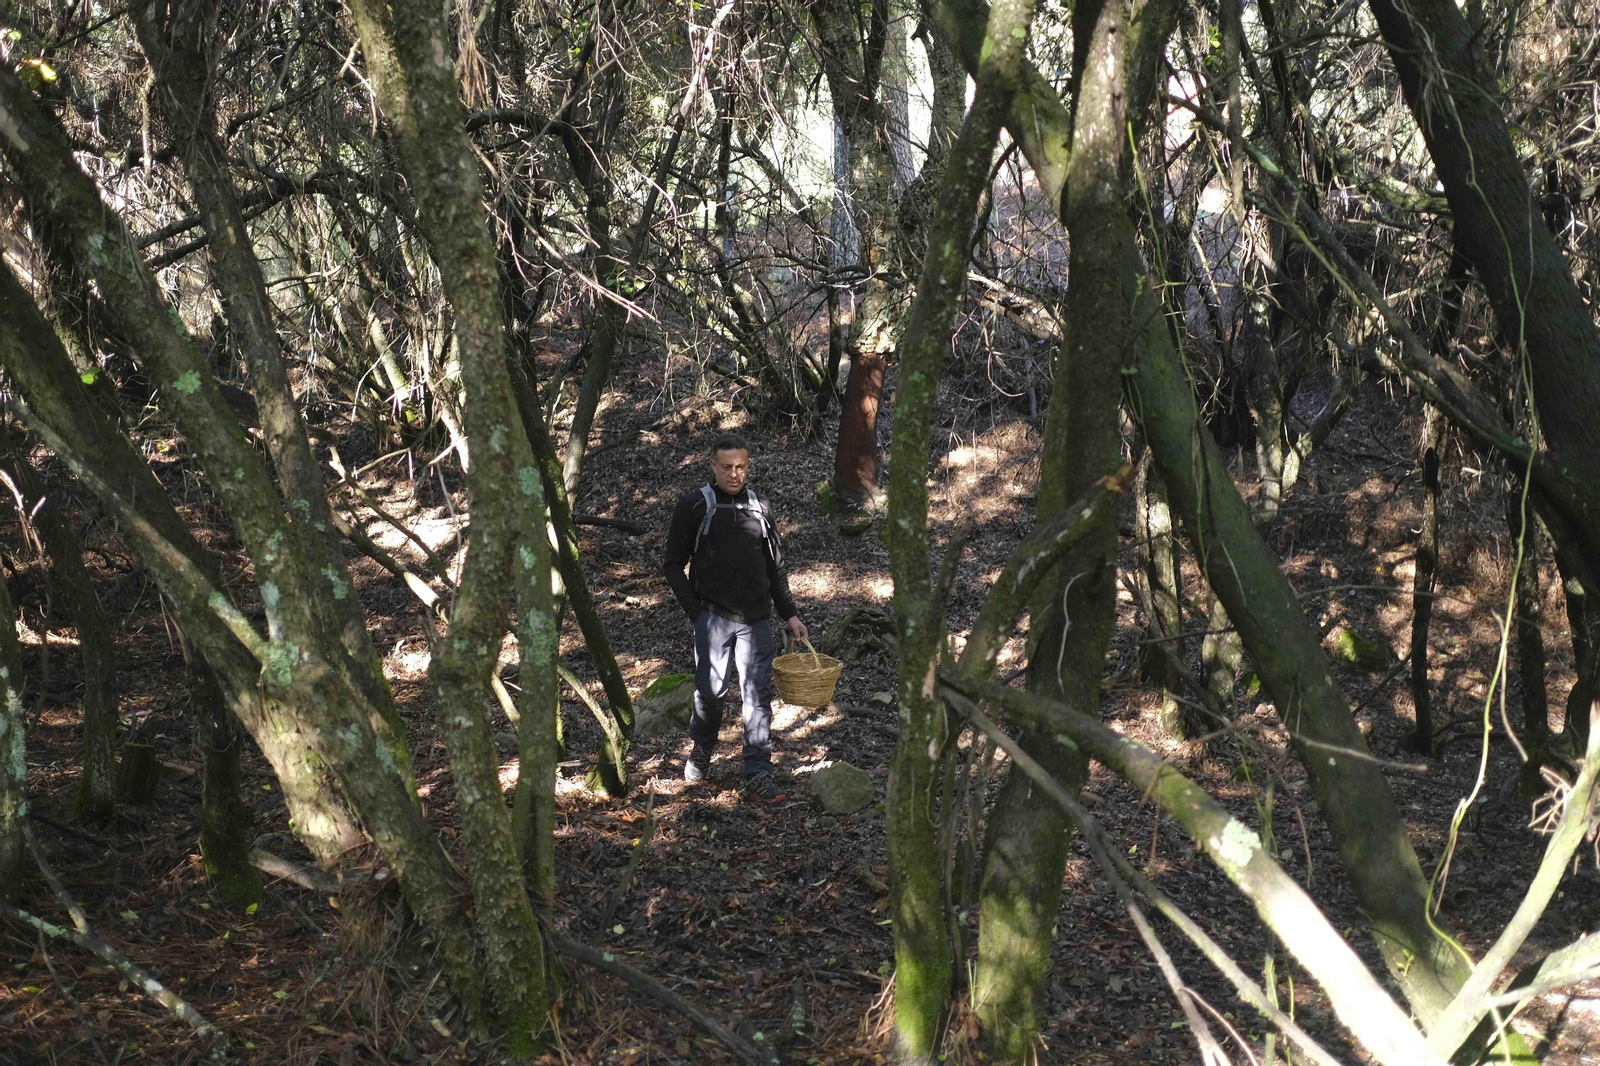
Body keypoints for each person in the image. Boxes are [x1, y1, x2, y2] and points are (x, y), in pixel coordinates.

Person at [662, 433, 808, 801]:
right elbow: (673, 565)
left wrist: (790, 615)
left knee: (757, 696)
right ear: (712, 465)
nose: (734, 474)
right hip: (713, 618)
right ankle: (702, 747)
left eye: (741, 467)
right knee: (711, 694)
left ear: (748, 465)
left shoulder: (760, 507)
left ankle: (758, 771)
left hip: (757, 620)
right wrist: (696, 613)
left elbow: (775, 568)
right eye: (726, 467)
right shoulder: (694, 506)